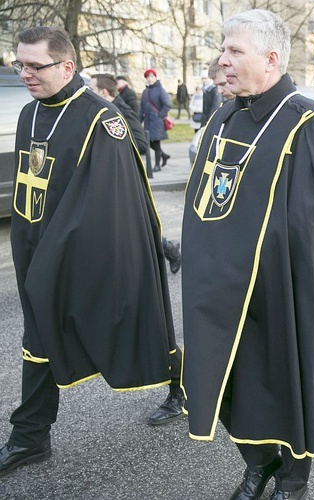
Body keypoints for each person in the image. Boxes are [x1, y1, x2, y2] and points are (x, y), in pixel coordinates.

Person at [181, 10, 314, 500]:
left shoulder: (309, 123)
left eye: (235, 51)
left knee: (287, 383)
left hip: (280, 289)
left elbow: (313, 230)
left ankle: (293, 478)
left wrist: (279, 284)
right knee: (233, 386)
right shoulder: (224, 115)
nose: (223, 61)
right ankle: (257, 464)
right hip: (219, 288)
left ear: (272, 58)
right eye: (223, 49)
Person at [1, 26, 184, 478]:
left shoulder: (102, 120)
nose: (24, 73)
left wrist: (55, 255)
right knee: (37, 335)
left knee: (132, 321)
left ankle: (183, 388)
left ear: (67, 66)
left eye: (34, 66)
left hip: (79, 250)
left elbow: (110, 201)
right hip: (31, 244)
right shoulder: (29, 113)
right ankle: (32, 438)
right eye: (19, 64)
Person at [90, 74, 184, 273]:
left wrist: (112, 150)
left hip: (125, 178)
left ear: (104, 92)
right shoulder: (99, 111)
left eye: (92, 89)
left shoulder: (120, 110)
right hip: (108, 178)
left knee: (136, 228)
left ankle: (168, 248)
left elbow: (140, 144)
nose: (88, 93)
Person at [140, 68, 171, 171]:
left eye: (152, 76)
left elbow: (167, 104)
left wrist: (160, 115)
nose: (150, 79)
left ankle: (157, 165)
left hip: (157, 122)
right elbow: (142, 108)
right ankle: (164, 155)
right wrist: (139, 120)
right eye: (148, 77)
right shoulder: (145, 92)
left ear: (155, 77)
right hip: (148, 122)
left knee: (156, 143)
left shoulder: (160, 90)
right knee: (148, 142)